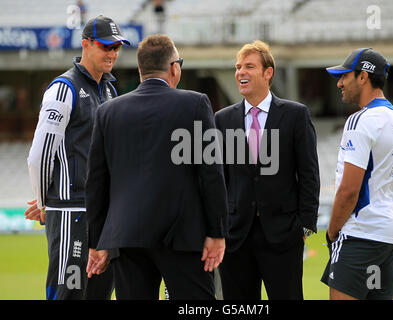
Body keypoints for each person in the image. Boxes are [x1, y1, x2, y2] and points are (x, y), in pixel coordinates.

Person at [84, 34, 228, 300]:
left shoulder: (107, 112)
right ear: (174, 67)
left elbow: (96, 183)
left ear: (141, 70)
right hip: (182, 238)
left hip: (125, 238)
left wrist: (97, 242)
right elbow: (211, 173)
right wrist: (217, 232)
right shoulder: (195, 103)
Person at [25, 15, 130, 300]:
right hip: (71, 211)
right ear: (86, 44)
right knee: (68, 293)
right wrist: (45, 202)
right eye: (106, 46)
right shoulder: (63, 88)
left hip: (104, 214)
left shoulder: (109, 90)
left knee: (99, 293)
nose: (113, 53)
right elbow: (40, 153)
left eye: (117, 47)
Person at [214, 40, 320, 300]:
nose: (240, 72)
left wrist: (305, 226)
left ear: (268, 72)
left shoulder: (295, 115)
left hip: (283, 235)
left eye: (249, 66)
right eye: (238, 67)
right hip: (236, 236)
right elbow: (218, 179)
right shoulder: (222, 119)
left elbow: (309, 173)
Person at [321, 48, 393, 300]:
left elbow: (349, 191)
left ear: (363, 77)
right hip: (389, 236)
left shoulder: (360, 120)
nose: (339, 83)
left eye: (345, 76)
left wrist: (332, 233)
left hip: (359, 235)